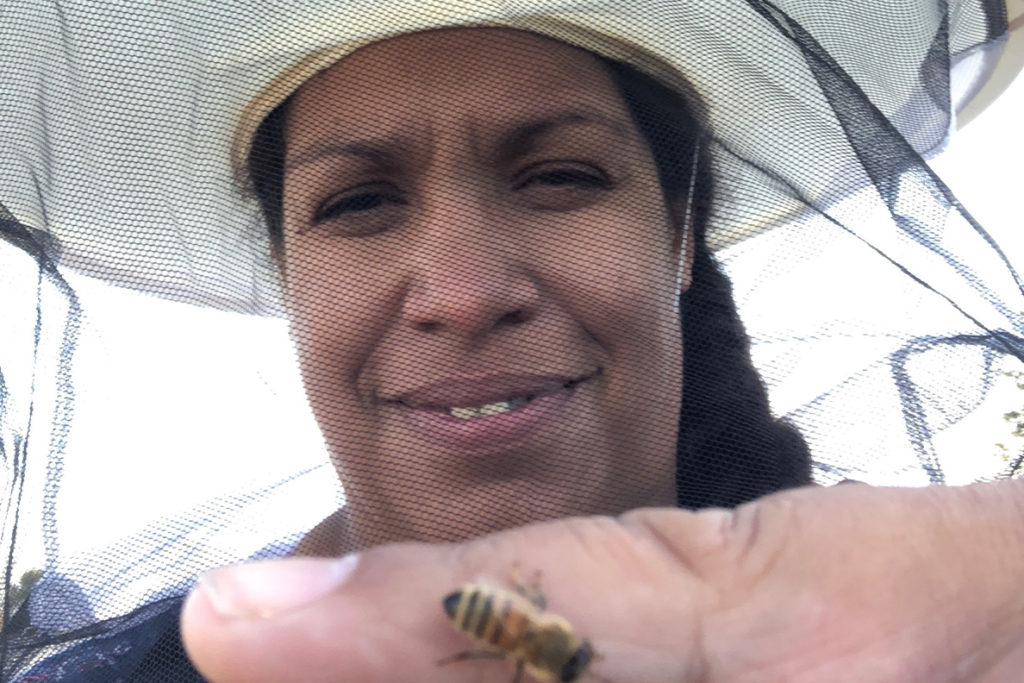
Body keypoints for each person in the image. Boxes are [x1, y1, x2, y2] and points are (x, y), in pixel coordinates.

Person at [177, 22, 1024, 683]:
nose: (466, 293)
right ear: (288, 275)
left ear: (680, 234)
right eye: (359, 201)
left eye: (560, 177)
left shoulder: (905, 631)